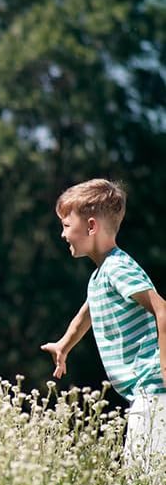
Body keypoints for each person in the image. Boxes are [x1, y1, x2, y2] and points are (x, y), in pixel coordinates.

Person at [40, 178, 166, 469]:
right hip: (145, 392)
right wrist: (64, 345)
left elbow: (162, 309)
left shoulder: (118, 268)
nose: (63, 234)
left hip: (154, 389)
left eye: (66, 225)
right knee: (141, 475)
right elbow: (87, 313)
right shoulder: (101, 275)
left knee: (144, 478)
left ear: (91, 226)